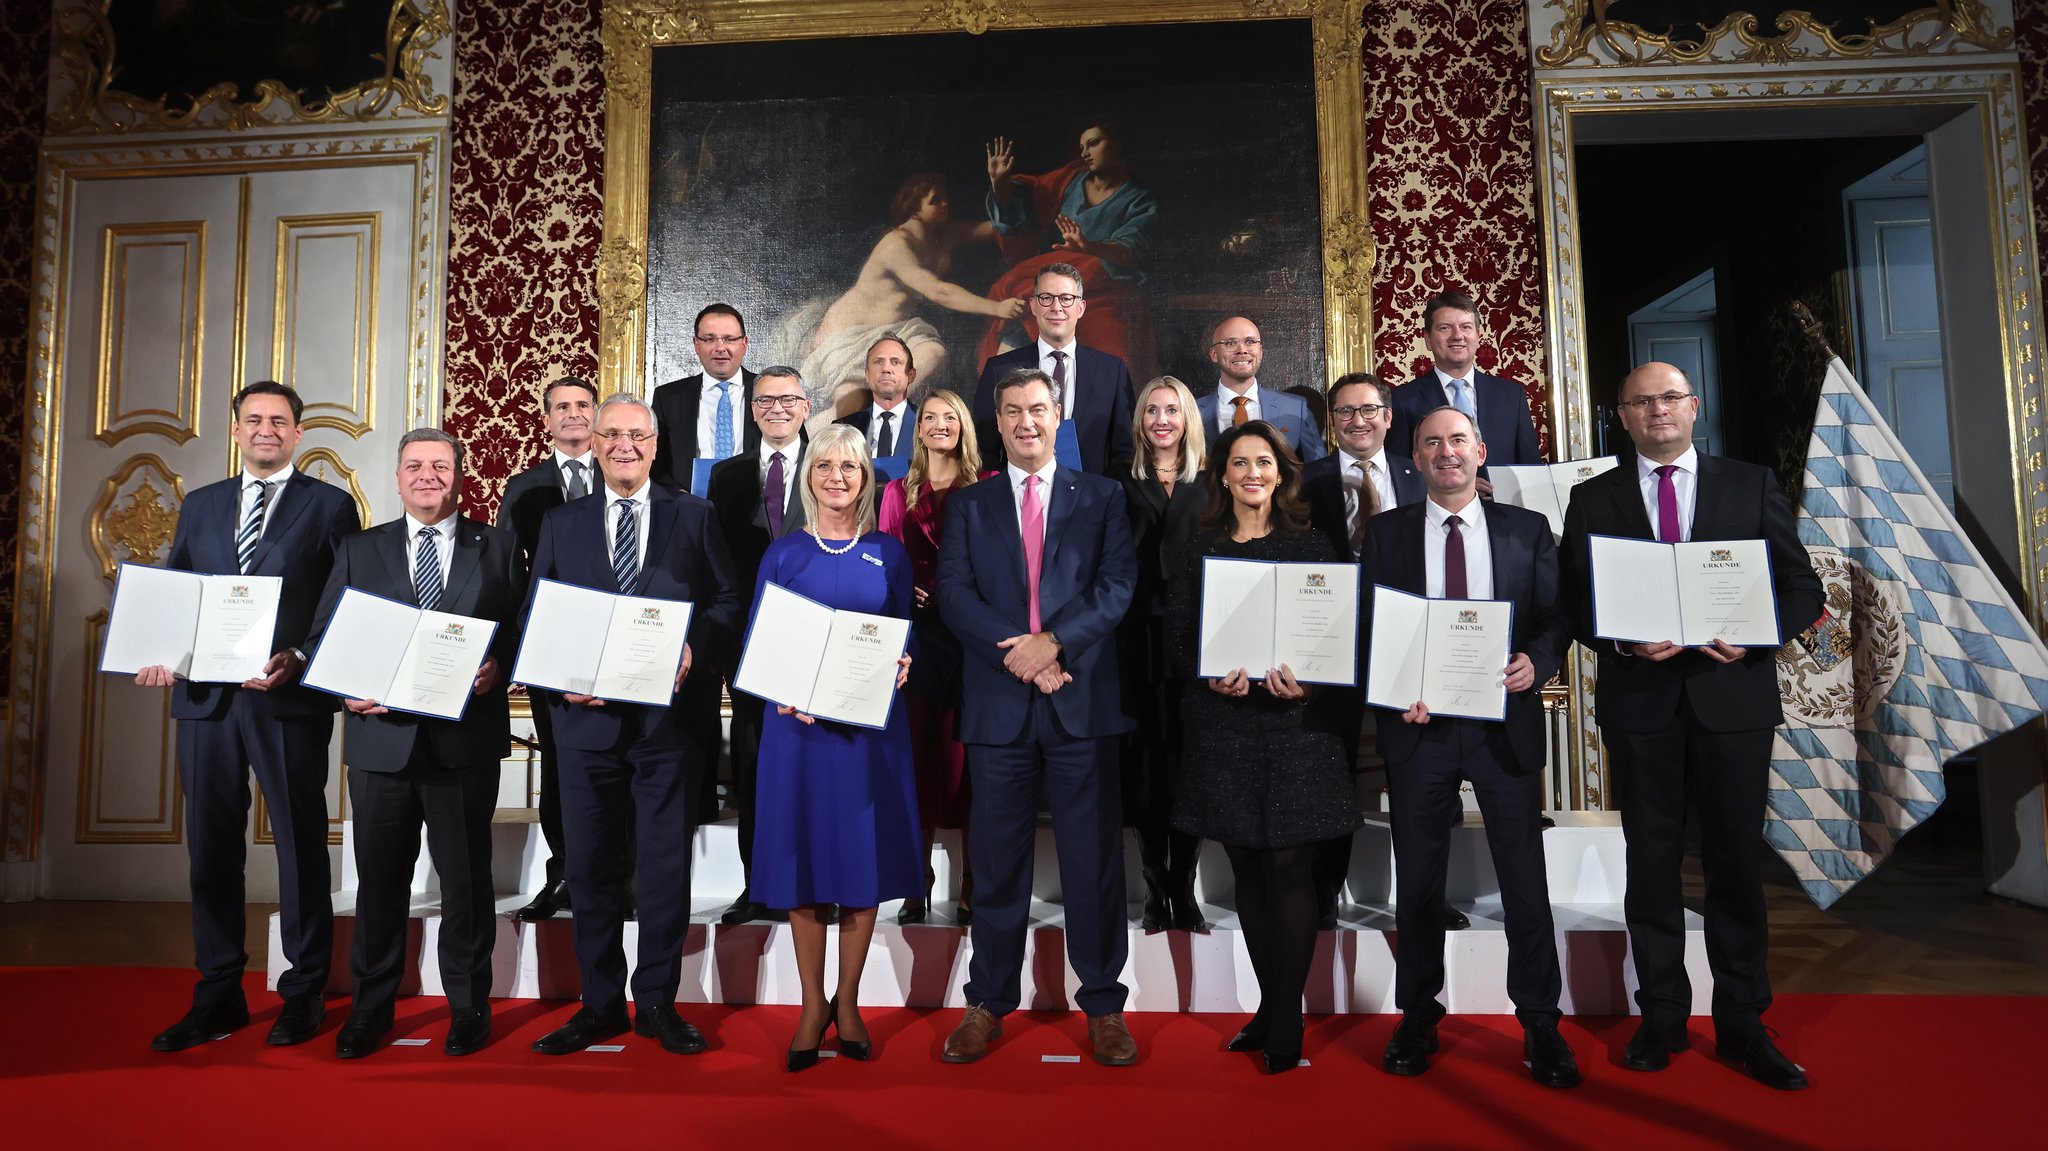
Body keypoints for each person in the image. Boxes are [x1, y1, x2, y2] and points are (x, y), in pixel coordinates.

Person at [1560, 361, 1823, 1090]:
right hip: (1642, 703)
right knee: (1650, 865)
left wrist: (1757, 632)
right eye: (1640, 401)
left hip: (1731, 699)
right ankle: (1663, 1015)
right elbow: (1573, 602)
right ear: (1622, 414)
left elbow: (1804, 588)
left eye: (1669, 397)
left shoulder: (1749, 483)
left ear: (1693, 405)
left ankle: (1743, 1021)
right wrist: (1621, 638)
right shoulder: (1594, 498)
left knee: (1736, 862)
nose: (1657, 411)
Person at [1364, 406, 1579, 1089]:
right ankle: (1418, 1017)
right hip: (1419, 727)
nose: (1447, 452)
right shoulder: (1386, 532)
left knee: (1524, 882)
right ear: (1416, 457)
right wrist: (1398, 686)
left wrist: (1534, 661)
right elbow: (1369, 624)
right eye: (1433, 442)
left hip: (1502, 726)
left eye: (1458, 440)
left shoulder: (1527, 530)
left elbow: (1555, 616)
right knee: (1420, 883)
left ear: (1480, 451)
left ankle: (1541, 1022)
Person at [143, 381, 361, 1053]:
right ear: (236, 429)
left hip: (285, 697)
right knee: (210, 846)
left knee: (299, 843)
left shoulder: (330, 506)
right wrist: (156, 649)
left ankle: (302, 992)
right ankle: (218, 993)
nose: (266, 430)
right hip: (206, 700)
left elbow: (343, 603)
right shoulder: (202, 504)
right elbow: (177, 589)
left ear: (299, 434)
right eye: (254, 419)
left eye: (280, 421)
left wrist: (299, 654)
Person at [522, 393, 742, 1056]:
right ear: (592, 440)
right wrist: (560, 673)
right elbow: (539, 613)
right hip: (584, 725)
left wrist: (694, 646)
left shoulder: (695, 514)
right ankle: (598, 1003)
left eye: (636, 435)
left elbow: (728, 601)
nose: (624, 445)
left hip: (667, 725)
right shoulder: (563, 522)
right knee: (589, 866)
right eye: (611, 433)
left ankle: (655, 1001)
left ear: (654, 444)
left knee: (664, 866)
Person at [935, 367, 1139, 1066]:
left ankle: (1105, 1005)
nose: (1027, 421)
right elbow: (955, 595)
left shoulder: (1104, 496)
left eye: (1039, 409)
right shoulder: (970, 504)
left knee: (1093, 866)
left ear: (1060, 417)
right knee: (995, 867)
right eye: (1014, 410)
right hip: (999, 706)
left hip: (1081, 700)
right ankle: (987, 1002)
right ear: (998, 419)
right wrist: (1020, 656)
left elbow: (1117, 587)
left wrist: (1054, 644)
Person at [306, 429, 524, 1059]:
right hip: (381, 746)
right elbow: (323, 641)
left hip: (463, 747)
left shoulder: (501, 548)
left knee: (465, 885)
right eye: (414, 466)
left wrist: (499, 670)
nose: (427, 476)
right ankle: (371, 1010)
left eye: (440, 466)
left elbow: (520, 633)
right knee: (379, 886)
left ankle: (468, 1006)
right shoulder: (357, 550)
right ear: (398, 479)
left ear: (461, 476)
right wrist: (346, 689)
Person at [1165, 421, 1361, 1073]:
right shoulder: (1200, 547)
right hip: (1224, 724)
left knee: (1288, 865)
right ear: (1221, 474)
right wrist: (1207, 669)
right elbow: (1176, 640)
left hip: (1298, 728)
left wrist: (1310, 684)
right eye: (1240, 462)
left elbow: (1344, 642)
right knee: (1247, 861)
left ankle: (1286, 1016)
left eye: (1265, 462)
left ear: (1283, 473)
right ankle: (1272, 1005)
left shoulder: (1316, 546)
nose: (1253, 472)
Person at [747, 424, 921, 1071]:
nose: (837, 477)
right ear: (809, 475)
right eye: (825, 465)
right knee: (802, 866)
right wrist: (776, 688)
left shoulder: (889, 553)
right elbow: (758, 639)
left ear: (865, 478)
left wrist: (906, 659)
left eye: (850, 467)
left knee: (859, 863)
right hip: (797, 733)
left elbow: (907, 632)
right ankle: (810, 1003)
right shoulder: (784, 554)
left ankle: (847, 1002)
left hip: (867, 736)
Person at [1301, 373, 1447, 934]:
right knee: (1329, 772)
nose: (1357, 421)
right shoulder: (1303, 481)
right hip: (1329, 647)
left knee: (1419, 774)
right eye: (1344, 412)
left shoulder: (1424, 476)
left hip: (1409, 645)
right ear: (1331, 422)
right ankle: (1321, 897)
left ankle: (1425, 899)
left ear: (1389, 416)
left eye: (1368, 410)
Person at [706, 366, 810, 925]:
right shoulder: (726, 477)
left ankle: (818, 885)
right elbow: (718, 569)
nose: (776, 408)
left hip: (816, 643)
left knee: (815, 772)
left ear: (805, 407)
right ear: (752, 409)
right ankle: (759, 886)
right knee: (756, 770)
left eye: (787, 399)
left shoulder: (834, 462)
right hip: (750, 650)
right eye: (765, 399)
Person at [790, 172, 1027, 410]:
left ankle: (881, 415)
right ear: (914, 208)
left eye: (944, 198)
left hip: (892, 333)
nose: (945, 204)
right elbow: (938, 292)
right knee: (849, 410)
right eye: (935, 201)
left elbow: (997, 230)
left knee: (933, 353)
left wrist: (1000, 188)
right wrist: (996, 307)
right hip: (848, 337)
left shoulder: (942, 236)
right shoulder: (897, 244)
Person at [877, 387, 981, 925]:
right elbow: (887, 559)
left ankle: (971, 887)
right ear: (918, 430)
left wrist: (948, 591)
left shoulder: (984, 487)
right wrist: (910, 593)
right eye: (931, 418)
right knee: (916, 763)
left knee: (967, 766)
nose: (940, 425)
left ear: (963, 426)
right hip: (916, 643)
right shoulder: (897, 491)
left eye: (950, 417)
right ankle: (915, 881)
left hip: (971, 644)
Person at [498, 375, 598, 923]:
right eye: (562, 407)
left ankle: (615, 871)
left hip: (615, 646)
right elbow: (508, 572)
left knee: (616, 760)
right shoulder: (525, 487)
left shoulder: (623, 475)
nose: (574, 414)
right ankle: (562, 872)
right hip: (550, 647)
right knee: (561, 760)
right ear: (547, 419)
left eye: (583, 405)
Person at [1118, 375, 1208, 933]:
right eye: (1152, 410)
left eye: (1172, 409)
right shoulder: (1118, 483)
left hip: (1198, 645)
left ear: (1187, 419)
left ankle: (1185, 888)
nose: (1161, 419)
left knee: (1189, 767)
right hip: (1137, 644)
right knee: (1147, 770)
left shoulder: (1212, 484)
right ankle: (1155, 887)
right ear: (1140, 421)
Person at [979, 122, 1159, 380]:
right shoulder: (1071, 181)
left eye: (1094, 143)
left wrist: (1088, 247)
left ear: (1117, 144)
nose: (1085, 152)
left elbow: (1132, 250)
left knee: (1106, 354)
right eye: (1082, 147)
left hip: (1107, 287)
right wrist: (1000, 184)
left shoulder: (1140, 198)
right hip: (1055, 278)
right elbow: (1026, 207)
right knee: (1020, 314)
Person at [972, 263, 1138, 478]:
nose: (1056, 307)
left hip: (1091, 502)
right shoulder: (999, 369)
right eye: (1046, 298)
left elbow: (1124, 450)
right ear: (1033, 306)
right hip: (1019, 500)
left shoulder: (1112, 372)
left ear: (1081, 308)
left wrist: (1105, 500)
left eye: (1066, 298)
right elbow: (985, 449)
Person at [1389, 290, 1543, 493]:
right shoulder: (1402, 400)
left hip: (1503, 516)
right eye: (1445, 328)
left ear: (1477, 336)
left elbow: (1531, 469)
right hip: (1437, 516)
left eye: (1466, 327)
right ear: (1427, 338)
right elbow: (1398, 472)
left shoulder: (1511, 396)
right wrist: (1455, 487)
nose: (1457, 336)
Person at [651, 303, 760, 493]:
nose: (720, 348)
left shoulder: (768, 393)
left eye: (729, 339)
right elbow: (654, 462)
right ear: (696, 344)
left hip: (756, 511)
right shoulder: (668, 398)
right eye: (709, 339)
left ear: (744, 344)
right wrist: (679, 496)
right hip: (687, 509)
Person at [1195, 317, 1326, 463]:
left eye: (1250, 342)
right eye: (1230, 343)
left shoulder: (1296, 407)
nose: (1242, 350)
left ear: (1261, 351)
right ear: (1214, 354)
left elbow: (1319, 471)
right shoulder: (1192, 411)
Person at [835, 335, 918, 463]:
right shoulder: (842, 428)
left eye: (895, 362)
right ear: (867, 375)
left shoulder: (926, 424)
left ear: (911, 375)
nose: (886, 369)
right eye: (878, 362)